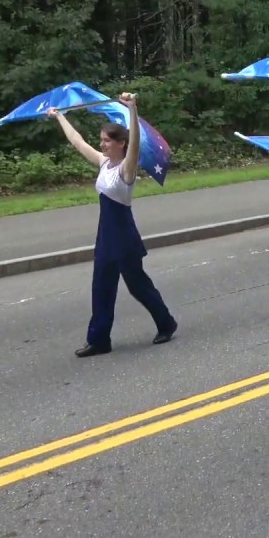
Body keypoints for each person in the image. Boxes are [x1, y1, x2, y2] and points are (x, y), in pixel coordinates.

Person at [48, 95, 177, 357]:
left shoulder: (126, 171)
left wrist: (132, 108)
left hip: (123, 237)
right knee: (101, 287)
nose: (102, 144)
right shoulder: (104, 162)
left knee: (138, 286)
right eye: (102, 140)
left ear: (121, 144)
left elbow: (136, 144)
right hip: (106, 234)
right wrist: (59, 116)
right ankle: (99, 340)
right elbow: (77, 141)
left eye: (107, 140)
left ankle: (166, 323)